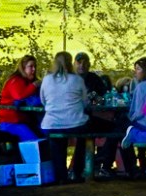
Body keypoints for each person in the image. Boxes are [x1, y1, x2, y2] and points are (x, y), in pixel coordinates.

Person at [40, 51, 101, 181]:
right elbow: (85, 103)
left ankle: (61, 177)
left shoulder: (46, 80)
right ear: (71, 63)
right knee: (91, 132)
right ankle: (79, 170)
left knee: (57, 144)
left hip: (51, 124)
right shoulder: (77, 80)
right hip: (76, 123)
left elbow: (43, 101)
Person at [0, 55, 42, 143]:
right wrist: (34, 86)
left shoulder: (27, 81)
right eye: (31, 66)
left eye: (35, 66)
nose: (34, 69)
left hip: (23, 121)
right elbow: (19, 96)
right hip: (11, 122)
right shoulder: (15, 81)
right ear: (23, 67)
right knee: (34, 142)